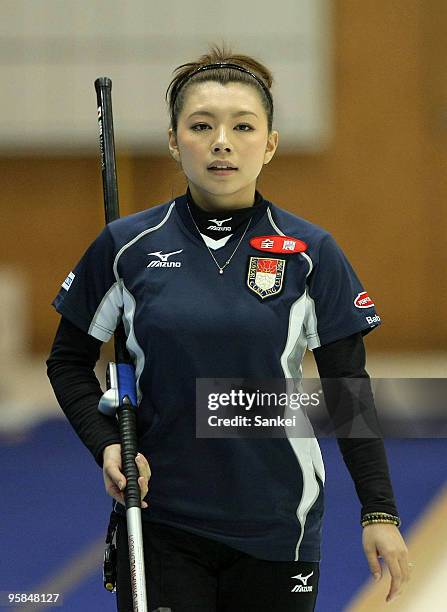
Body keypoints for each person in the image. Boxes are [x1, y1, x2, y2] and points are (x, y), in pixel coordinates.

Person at [47, 43, 412, 611]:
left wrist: (380, 512)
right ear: (174, 140)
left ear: (269, 144)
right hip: (161, 522)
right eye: (201, 125)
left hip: (278, 527)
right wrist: (106, 448)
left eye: (243, 126)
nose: (222, 141)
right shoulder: (125, 248)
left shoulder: (311, 252)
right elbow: (67, 361)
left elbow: (347, 393)